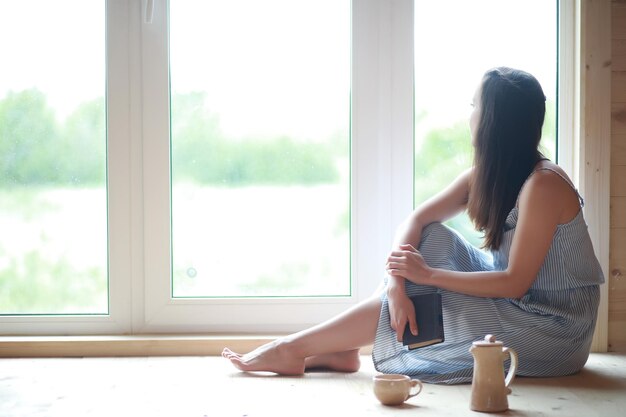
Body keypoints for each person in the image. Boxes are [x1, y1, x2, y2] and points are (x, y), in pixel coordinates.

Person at [222, 67, 605, 384]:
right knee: (430, 239)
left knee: (433, 289)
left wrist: (428, 276)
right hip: (515, 300)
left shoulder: (544, 184)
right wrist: (397, 285)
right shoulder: (486, 176)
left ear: (492, 121)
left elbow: (514, 282)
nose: (469, 114)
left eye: (475, 106)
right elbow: (416, 221)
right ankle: (335, 350)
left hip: (553, 325)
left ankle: (293, 348)